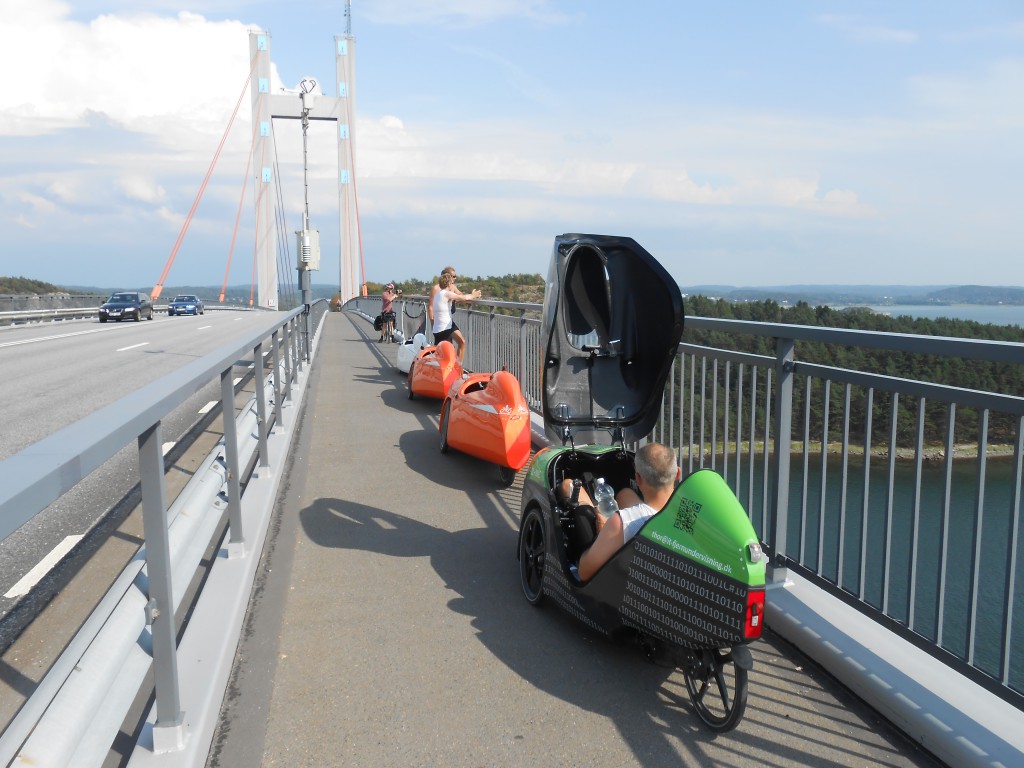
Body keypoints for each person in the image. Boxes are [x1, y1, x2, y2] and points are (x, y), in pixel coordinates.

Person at [557, 442, 681, 582]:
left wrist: (602, 531)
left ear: (638, 478)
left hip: (618, 583)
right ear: (678, 473)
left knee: (569, 485)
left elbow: (585, 572)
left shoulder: (622, 522)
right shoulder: (688, 514)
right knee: (625, 493)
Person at [432, 271, 480, 362]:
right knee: (446, 356)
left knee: (462, 342)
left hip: (439, 328)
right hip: (445, 328)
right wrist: (474, 295)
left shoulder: (438, 295)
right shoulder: (447, 294)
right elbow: (463, 298)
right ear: (449, 283)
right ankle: (452, 370)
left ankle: (458, 366)